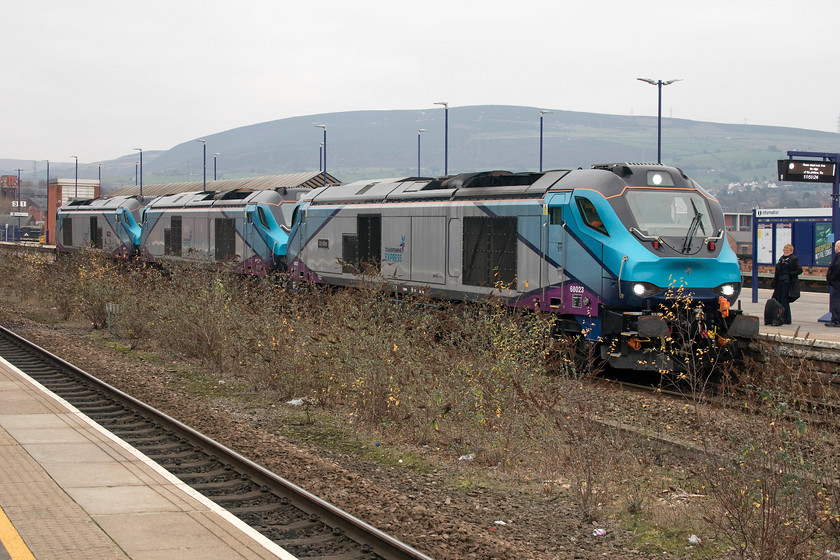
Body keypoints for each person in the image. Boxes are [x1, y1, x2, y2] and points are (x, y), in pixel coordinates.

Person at [770, 243, 802, 325]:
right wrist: (774, 281)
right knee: (776, 299)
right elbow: (777, 271)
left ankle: (786, 319)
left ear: (791, 251)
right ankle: (777, 317)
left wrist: (789, 275)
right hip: (780, 282)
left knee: (784, 300)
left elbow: (799, 270)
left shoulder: (793, 259)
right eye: (784, 250)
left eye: (787, 250)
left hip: (787, 283)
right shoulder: (781, 259)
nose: (785, 252)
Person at [826, 240, 840, 326]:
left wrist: (832, 279)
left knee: (836, 302)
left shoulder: (838, 257)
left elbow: (837, 269)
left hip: (837, 284)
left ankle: (836, 320)